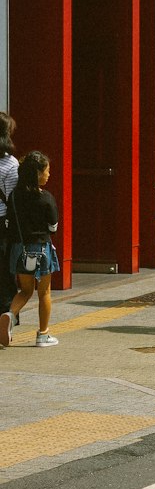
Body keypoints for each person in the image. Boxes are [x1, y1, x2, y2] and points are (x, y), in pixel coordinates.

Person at [0, 151, 60, 348]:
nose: (49, 175)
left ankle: (9, 314)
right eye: (46, 171)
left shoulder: (15, 196)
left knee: (25, 290)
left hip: (19, 248)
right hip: (40, 249)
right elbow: (53, 227)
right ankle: (43, 335)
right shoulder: (46, 198)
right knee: (44, 293)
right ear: (37, 174)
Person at [0, 112, 18, 318]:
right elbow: (14, 201)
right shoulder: (11, 164)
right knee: (5, 274)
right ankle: (6, 319)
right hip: (2, 224)